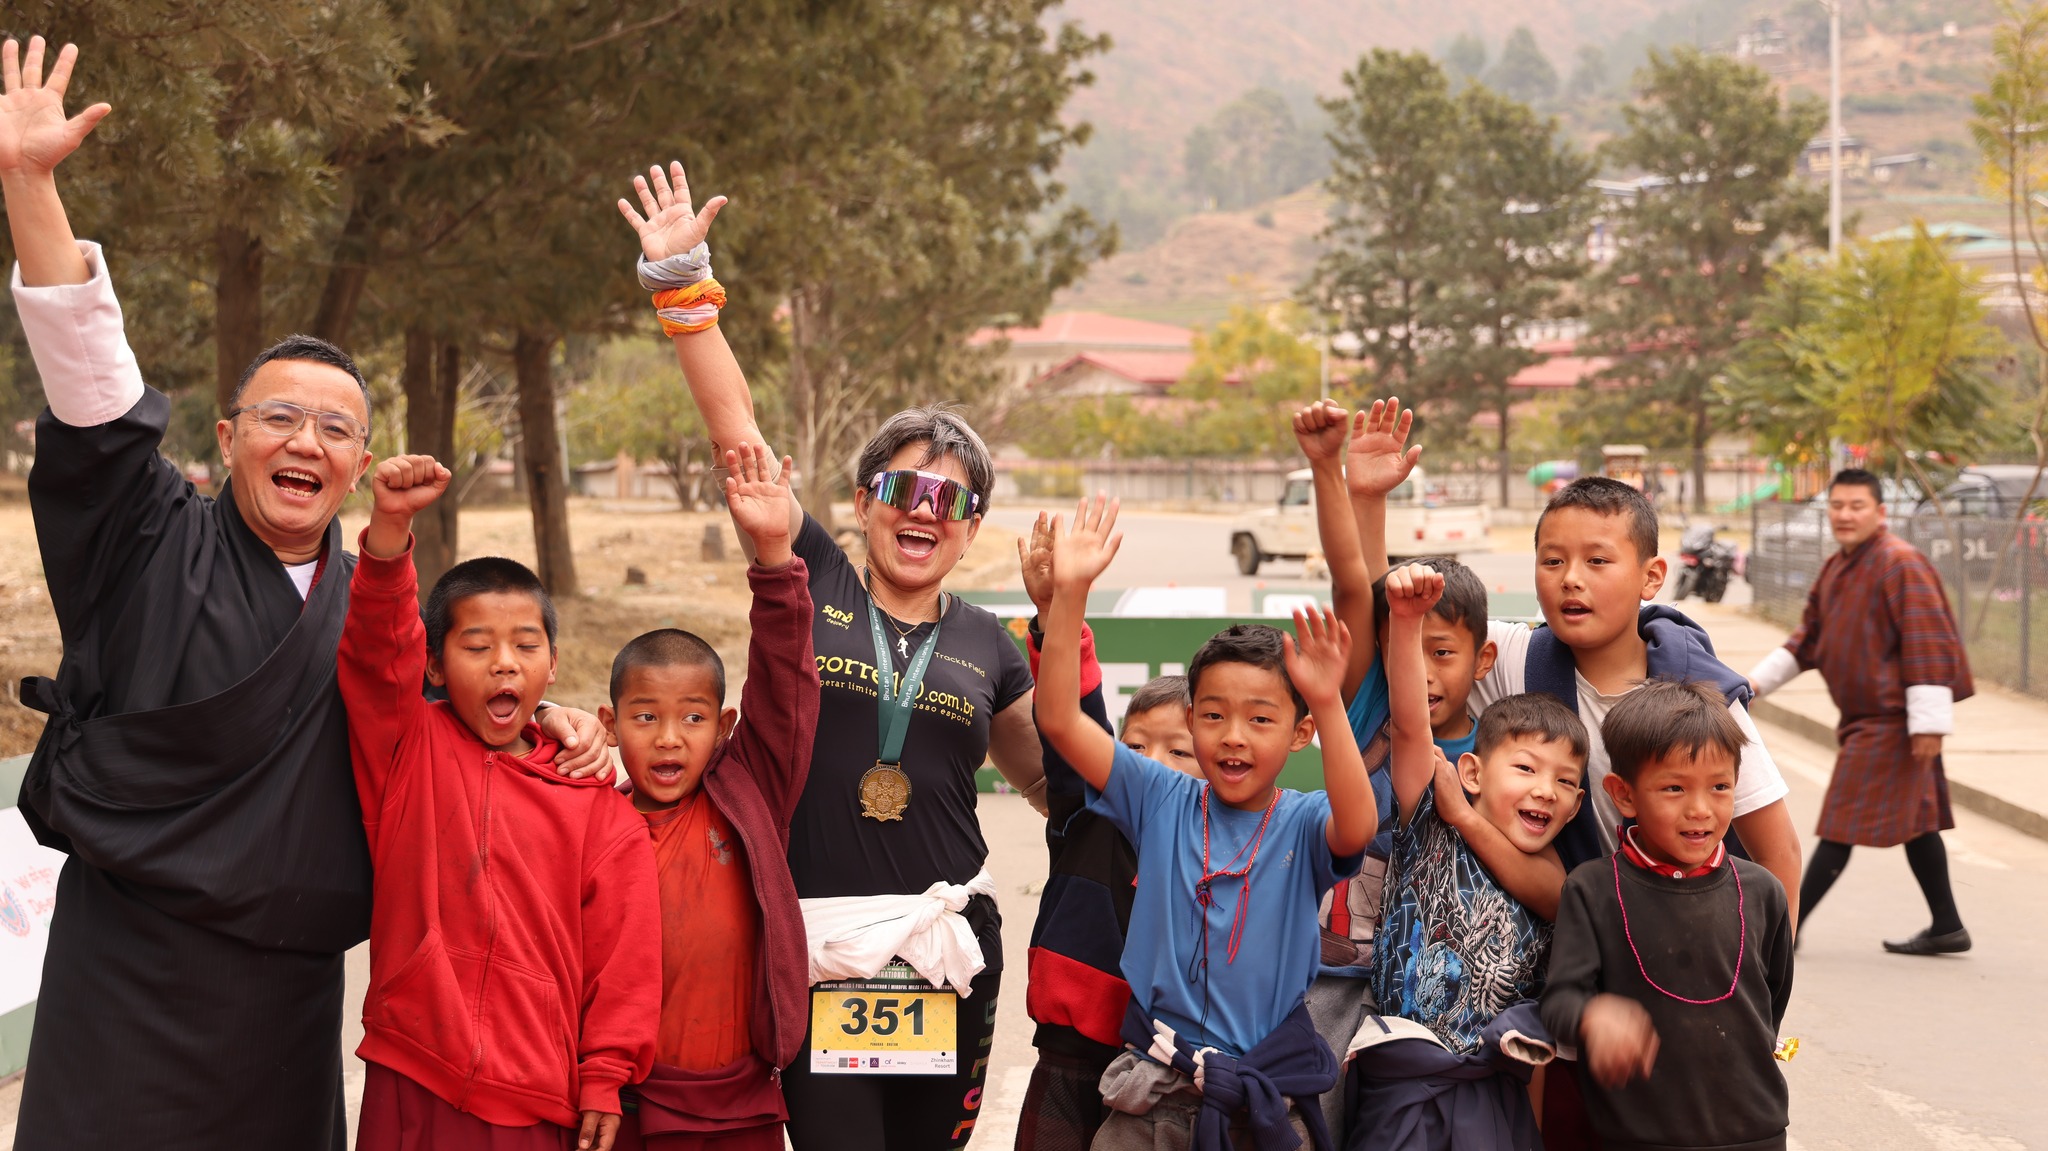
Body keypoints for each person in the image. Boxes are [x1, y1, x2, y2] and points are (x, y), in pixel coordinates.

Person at [0, 38, 603, 1150]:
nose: (305, 440)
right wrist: (31, 189)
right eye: (279, 416)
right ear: (226, 439)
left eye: (335, 427)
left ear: (360, 460)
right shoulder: (145, 542)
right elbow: (93, 393)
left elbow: (436, 730)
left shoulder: (374, 602)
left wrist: (552, 720)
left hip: (287, 989)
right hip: (127, 961)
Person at [617, 160, 1047, 1151]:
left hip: (940, 948)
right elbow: (738, 436)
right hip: (814, 946)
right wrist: (683, 285)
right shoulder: (810, 577)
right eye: (900, 491)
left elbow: (1047, 779)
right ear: (860, 503)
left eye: (948, 502)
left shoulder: (989, 641)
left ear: (973, 525)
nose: (919, 516)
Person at [338, 455, 661, 1151]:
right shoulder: (410, 749)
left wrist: (605, 1071)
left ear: (552, 661)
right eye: (477, 645)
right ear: (433, 664)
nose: (504, 663)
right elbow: (374, 651)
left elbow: (625, 955)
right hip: (412, 1064)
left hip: (536, 1093)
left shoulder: (596, 802)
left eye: (525, 645)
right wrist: (391, 527)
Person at [1034, 496, 1374, 1151]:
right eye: (1214, 715)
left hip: (1265, 1100)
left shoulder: (1303, 821)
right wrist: (1071, 592)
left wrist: (1330, 700)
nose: (1234, 736)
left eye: (1261, 718)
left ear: (1301, 731)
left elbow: (1357, 825)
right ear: (1189, 720)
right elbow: (1059, 720)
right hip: (1150, 1093)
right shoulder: (1159, 795)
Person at [601, 443, 821, 1151]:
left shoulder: (746, 793)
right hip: (630, 1099)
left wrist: (774, 561)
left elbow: (786, 685)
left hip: (741, 1099)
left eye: (693, 718)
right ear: (609, 725)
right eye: (646, 717)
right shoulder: (594, 819)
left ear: (723, 726)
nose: (670, 739)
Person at [1469, 478, 1804, 909]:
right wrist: (1366, 500)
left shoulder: (1702, 695)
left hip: (1691, 943)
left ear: (1652, 577)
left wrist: (1771, 974)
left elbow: (1780, 853)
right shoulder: (1512, 659)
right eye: (1552, 561)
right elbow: (1388, 616)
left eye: (1597, 560)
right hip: (1576, 957)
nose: (1571, 578)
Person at [1345, 564, 1589, 1151]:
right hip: (1401, 1081)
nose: (1543, 790)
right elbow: (1407, 722)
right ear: (1473, 771)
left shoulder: (1548, 867)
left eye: (1564, 782)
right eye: (1526, 770)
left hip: (1494, 1092)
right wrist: (1403, 626)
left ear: (1577, 804)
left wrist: (1468, 818)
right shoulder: (1424, 805)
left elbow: (1554, 898)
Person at [1540, 679, 1794, 1151]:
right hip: (1635, 1135)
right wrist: (1595, 1017)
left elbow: (1771, 1000)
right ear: (1625, 794)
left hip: (1755, 1131)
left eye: (1720, 787)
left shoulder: (1762, 892)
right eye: (1674, 788)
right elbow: (1558, 1004)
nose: (1700, 809)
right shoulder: (1594, 890)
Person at [1017, 499, 1197, 1151]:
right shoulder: (1093, 808)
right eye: (1137, 747)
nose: (1154, 764)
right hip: (1067, 1058)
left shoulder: (1220, 839)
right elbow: (1074, 718)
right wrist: (1059, 612)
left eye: (1181, 751)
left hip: (1165, 1072)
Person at [1746, 468, 1975, 955]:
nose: (1845, 515)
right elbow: (1806, 639)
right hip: (1867, 720)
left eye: (1857, 506)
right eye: (1837, 506)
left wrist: (1930, 725)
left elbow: (1927, 640)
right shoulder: (1837, 567)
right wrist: (1753, 683)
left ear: (1880, 512)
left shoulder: (1900, 563)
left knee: (1839, 822)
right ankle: (1947, 924)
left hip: (1892, 722)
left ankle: (1788, 928)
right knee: (1920, 824)